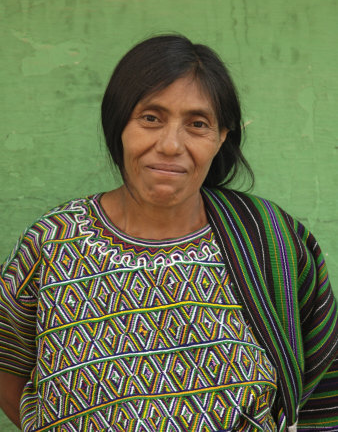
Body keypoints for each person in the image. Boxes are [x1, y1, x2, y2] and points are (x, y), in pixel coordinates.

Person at [0, 34, 337, 432]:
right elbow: (8, 363)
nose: (171, 144)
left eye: (197, 124)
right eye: (150, 118)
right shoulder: (52, 242)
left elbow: (323, 381)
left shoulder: (271, 242)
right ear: (119, 124)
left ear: (221, 137)